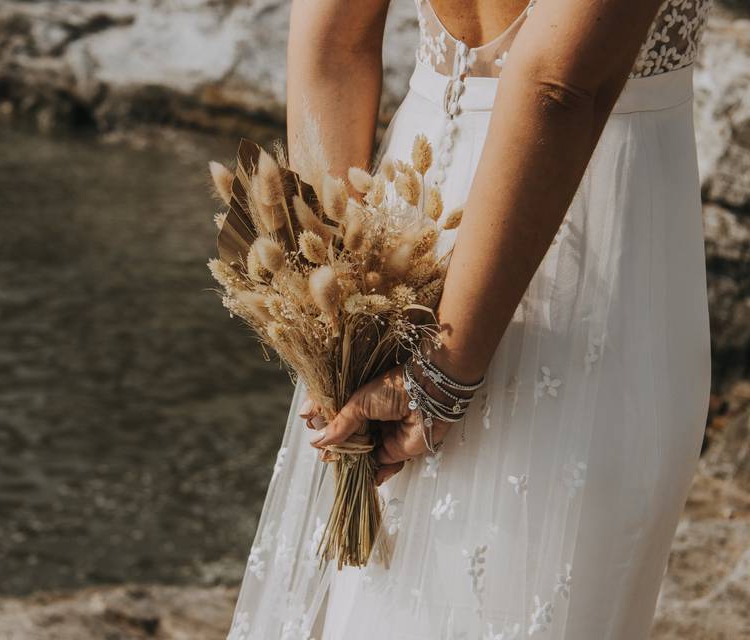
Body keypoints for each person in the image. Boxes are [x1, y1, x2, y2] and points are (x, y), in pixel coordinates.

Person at [229, 0, 713, 638]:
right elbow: (558, 85)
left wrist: (335, 312)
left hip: (401, 224)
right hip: (588, 220)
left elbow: (332, 46)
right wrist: (443, 375)